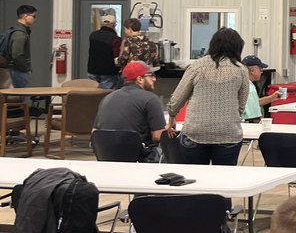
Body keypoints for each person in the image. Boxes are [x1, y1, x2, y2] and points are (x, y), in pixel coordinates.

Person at [168, 27, 250, 166]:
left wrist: (171, 118)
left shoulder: (196, 66)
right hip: (228, 133)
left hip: (195, 132)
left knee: (195, 181)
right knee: (223, 181)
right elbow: (241, 104)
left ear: (213, 44)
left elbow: (177, 98)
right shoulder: (241, 70)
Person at [93, 61, 173, 161]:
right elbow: (158, 136)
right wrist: (170, 128)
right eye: (150, 75)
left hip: (105, 156)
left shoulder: (107, 97)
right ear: (140, 79)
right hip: (135, 158)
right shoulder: (150, 99)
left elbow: (95, 131)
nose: (154, 79)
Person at [3, 4, 38, 89]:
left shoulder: (15, 30)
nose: (35, 19)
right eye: (34, 16)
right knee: (19, 97)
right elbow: (17, 55)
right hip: (17, 71)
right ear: (26, 16)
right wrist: (26, 68)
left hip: (13, 70)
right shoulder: (20, 33)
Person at [241, 55, 281, 121]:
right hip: (248, 121)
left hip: (253, 120)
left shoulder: (250, 84)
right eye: (260, 69)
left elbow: (255, 102)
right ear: (252, 70)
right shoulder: (244, 85)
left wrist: (272, 97)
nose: (261, 72)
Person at [87, 14, 122, 89]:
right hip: (108, 72)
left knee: (92, 94)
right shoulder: (116, 39)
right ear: (114, 25)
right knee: (106, 95)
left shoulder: (93, 35)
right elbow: (116, 56)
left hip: (92, 70)